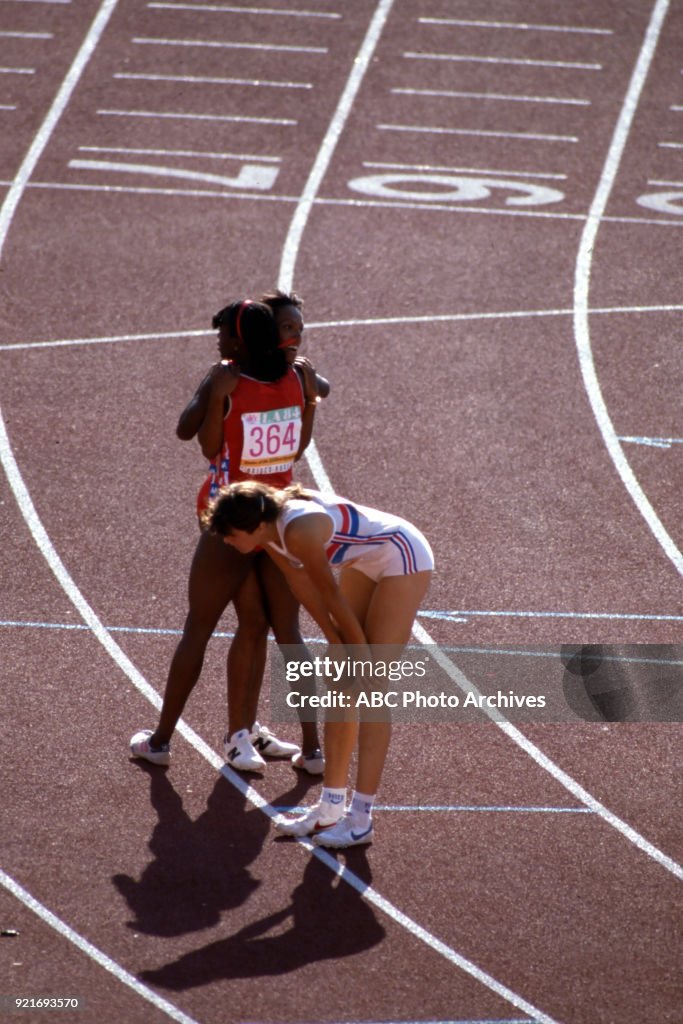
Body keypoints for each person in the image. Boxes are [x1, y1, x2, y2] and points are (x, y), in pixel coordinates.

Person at [131, 297, 328, 773]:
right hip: (281, 517)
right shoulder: (297, 378)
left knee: (197, 629)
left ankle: (160, 741)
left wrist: (214, 393)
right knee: (279, 630)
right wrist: (305, 388)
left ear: (239, 342)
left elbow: (201, 441)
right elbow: (301, 443)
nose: (217, 343)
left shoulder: (228, 380)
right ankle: (311, 749)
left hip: (232, 519)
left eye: (223, 336)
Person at [204, 480, 434, 848]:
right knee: (341, 682)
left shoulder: (300, 530)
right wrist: (335, 640)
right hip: (365, 560)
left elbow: (328, 590)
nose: (227, 543)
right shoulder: (270, 532)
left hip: (402, 555)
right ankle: (330, 807)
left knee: (373, 687)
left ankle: (360, 819)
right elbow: (301, 583)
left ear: (251, 526)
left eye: (229, 535)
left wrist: (357, 651)